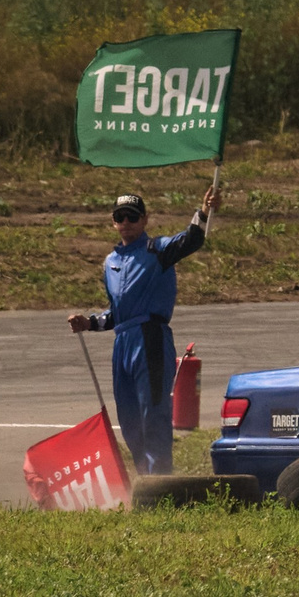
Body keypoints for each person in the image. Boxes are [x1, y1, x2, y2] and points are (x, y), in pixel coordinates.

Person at [68, 186, 219, 473]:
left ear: (145, 219)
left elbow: (191, 239)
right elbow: (117, 312)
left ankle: (160, 481)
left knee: (153, 412)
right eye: (120, 217)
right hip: (122, 343)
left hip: (150, 339)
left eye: (133, 217)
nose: (126, 222)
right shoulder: (110, 262)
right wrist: (89, 323)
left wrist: (205, 211)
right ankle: (144, 481)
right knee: (129, 419)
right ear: (113, 222)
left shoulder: (158, 250)